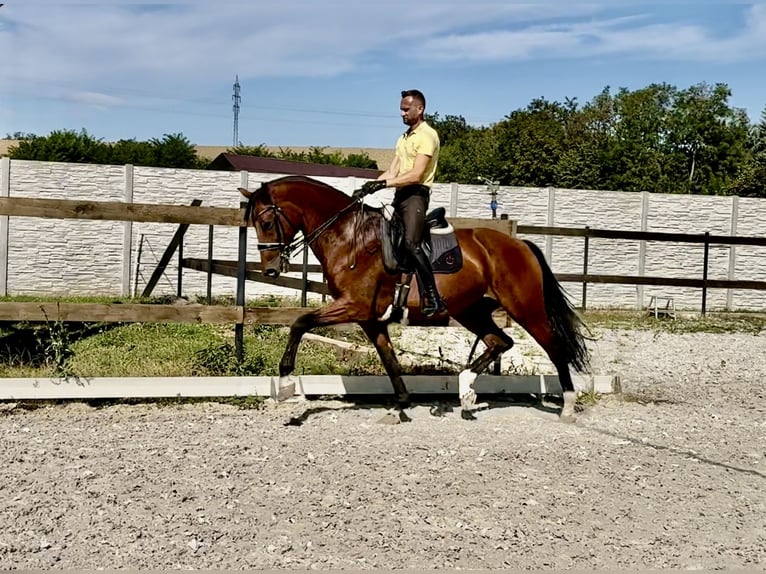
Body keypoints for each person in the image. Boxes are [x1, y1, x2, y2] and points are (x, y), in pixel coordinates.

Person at [353, 89, 446, 317]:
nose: (402, 113)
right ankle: (394, 298)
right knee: (387, 243)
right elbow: (393, 170)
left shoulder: (427, 135)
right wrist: (369, 186)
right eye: (401, 109)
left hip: (416, 195)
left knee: (411, 244)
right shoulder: (403, 138)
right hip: (401, 196)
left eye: (406, 109)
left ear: (420, 109)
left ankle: (433, 296)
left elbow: (415, 175)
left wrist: (384, 186)